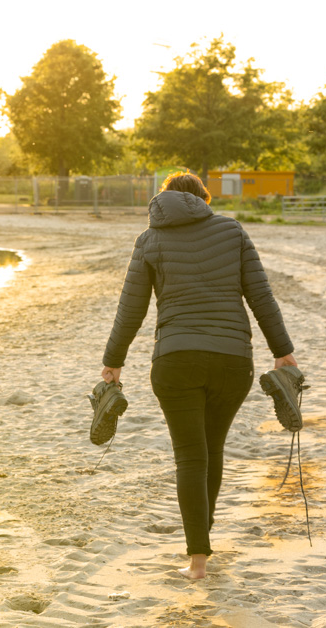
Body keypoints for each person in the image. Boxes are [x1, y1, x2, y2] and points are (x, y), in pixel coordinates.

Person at [100, 172, 297, 580]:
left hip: (174, 360)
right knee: (213, 448)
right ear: (203, 199)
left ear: (164, 199)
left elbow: (130, 309)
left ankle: (197, 561)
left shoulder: (149, 240)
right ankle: (202, 545)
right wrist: (283, 353)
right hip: (231, 360)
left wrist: (113, 362)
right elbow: (261, 295)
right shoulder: (232, 230)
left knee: (190, 455)